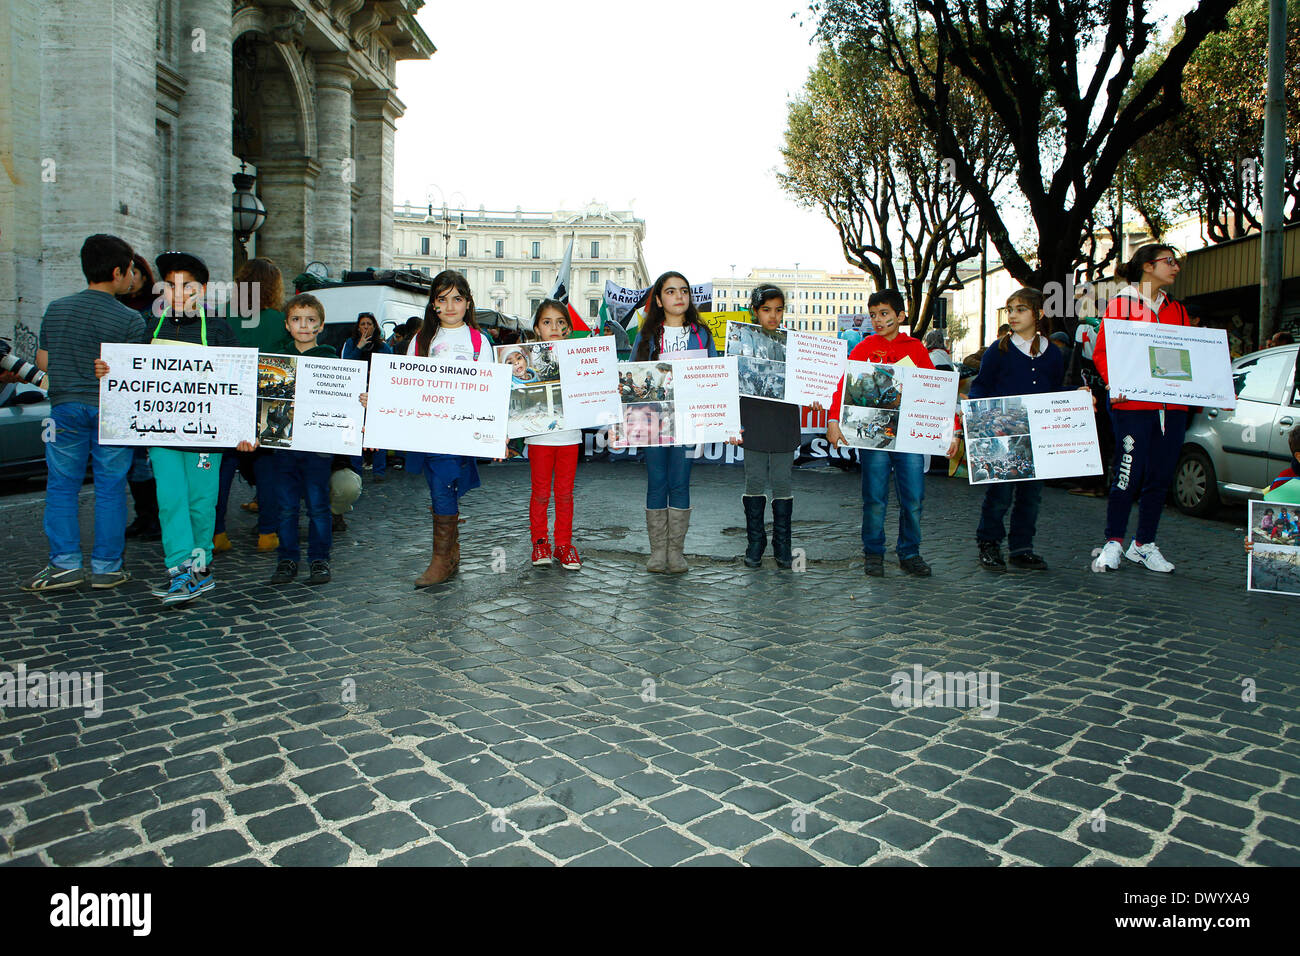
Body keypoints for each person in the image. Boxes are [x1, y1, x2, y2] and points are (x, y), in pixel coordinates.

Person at [93, 251, 244, 604]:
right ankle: (180, 572)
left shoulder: (220, 329)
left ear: (203, 289)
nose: (178, 293)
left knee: (201, 503)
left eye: (187, 286)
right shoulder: (147, 326)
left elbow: (239, 382)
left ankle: (200, 570)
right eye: (171, 286)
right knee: (170, 501)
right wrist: (107, 370)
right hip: (161, 435)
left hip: (208, 437)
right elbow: (129, 372)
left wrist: (243, 431)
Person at [21, 234, 147, 592]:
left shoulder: (56, 309)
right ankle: (107, 566)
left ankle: (64, 565)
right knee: (110, 488)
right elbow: (131, 373)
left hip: (63, 407)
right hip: (110, 411)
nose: (133, 277)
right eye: (131, 270)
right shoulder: (130, 320)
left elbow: (44, 364)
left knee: (61, 486)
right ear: (118, 271)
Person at [827, 289, 957, 577]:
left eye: (884, 314)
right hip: (873, 437)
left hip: (909, 437)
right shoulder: (862, 348)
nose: (878, 320)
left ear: (900, 316)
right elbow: (843, 386)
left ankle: (910, 552)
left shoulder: (916, 349)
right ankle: (873, 552)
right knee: (874, 496)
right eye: (873, 315)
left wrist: (951, 431)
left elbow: (936, 393)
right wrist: (833, 420)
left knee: (913, 497)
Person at [967, 288, 1092, 571]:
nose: (1012, 315)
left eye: (1020, 309)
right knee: (999, 495)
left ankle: (1022, 548)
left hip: (1039, 437)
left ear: (1040, 313)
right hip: (1004, 437)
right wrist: (976, 417)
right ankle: (989, 544)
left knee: (1031, 496)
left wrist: (1077, 394)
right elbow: (980, 386)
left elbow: (1055, 391)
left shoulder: (1053, 354)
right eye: (1010, 309)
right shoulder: (998, 351)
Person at [1089, 244, 1188, 574]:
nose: (1175, 267)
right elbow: (1103, 352)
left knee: (1160, 477)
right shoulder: (1122, 304)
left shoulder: (1177, 310)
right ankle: (1113, 541)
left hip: (1171, 406)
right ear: (1148, 266)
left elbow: (1186, 354)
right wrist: (1115, 384)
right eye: (1168, 261)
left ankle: (1144, 544)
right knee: (1127, 474)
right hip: (1133, 404)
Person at [267, 294, 366, 586]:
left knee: (318, 506)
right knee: (285, 507)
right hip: (283, 445)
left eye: (310, 320)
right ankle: (286, 560)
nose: (304, 326)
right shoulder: (276, 358)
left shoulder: (331, 359)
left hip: (318, 449)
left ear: (320, 326)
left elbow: (345, 400)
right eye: (297, 320)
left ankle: (320, 559)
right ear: (287, 324)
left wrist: (359, 399)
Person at [628, 271, 719, 573]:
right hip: (653, 419)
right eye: (670, 291)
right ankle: (657, 552)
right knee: (657, 482)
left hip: (689, 419)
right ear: (658, 299)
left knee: (680, 481)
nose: (679, 296)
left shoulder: (702, 334)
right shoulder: (646, 335)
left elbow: (714, 380)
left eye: (683, 290)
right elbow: (632, 375)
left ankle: (676, 552)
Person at [407, 270, 490, 588]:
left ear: (468, 303)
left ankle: (441, 559)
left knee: (443, 485)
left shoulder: (478, 341)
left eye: (457, 298)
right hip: (428, 427)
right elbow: (404, 381)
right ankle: (452, 551)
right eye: (442, 299)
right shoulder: (421, 340)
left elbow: (489, 389)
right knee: (439, 485)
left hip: (460, 429)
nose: (451, 305)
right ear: (433, 305)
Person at [215, 256, 286, 553]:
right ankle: (267, 534)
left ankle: (216, 534)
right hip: (266, 402)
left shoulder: (221, 316)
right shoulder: (279, 322)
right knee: (269, 470)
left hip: (226, 400)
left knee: (221, 469)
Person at [738, 284, 803, 570]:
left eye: (778, 310)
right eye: (766, 310)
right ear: (755, 311)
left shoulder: (796, 344)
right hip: (752, 419)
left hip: (783, 421)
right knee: (753, 480)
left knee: (782, 482)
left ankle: (782, 543)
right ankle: (756, 541)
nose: (773, 316)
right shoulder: (740, 342)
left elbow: (810, 381)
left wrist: (814, 395)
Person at [525, 299, 584, 570]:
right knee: (539, 493)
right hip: (538, 437)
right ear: (537, 328)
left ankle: (563, 545)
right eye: (547, 322)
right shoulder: (524, 358)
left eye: (561, 322)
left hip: (569, 436)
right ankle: (540, 543)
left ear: (569, 328)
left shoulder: (581, 356)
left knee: (564, 494)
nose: (555, 327)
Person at [116, 253, 163, 540]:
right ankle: (143, 514)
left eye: (134, 272)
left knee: (152, 459)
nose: (129, 278)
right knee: (134, 460)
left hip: (154, 391)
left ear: (144, 275)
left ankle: (158, 516)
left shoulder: (159, 308)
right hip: (126, 394)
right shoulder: (115, 306)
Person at [341, 311, 393, 482]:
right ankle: (356, 469)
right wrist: (359, 347)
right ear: (358, 327)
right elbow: (345, 365)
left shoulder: (383, 346)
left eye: (369, 324)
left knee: (377, 431)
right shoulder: (350, 343)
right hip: (354, 394)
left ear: (374, 326)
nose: (365, 327)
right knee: (354, 431)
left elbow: (389, 369)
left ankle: (379, 471)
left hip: (375, 393)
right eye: (362, 324)